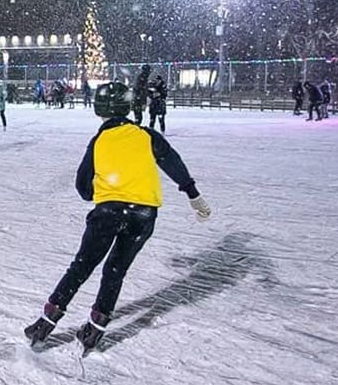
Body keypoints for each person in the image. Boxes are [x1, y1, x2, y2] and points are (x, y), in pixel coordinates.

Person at [24, 82, 211, 353]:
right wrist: (193, 194)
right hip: (144, 214)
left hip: (108, 212)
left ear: (100, 111)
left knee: (82, 266)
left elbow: (82, 187)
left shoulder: (99, 141)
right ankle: (95, 329)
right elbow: (173, 162)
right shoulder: (147, 136)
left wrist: (99, 190)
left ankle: (46, 322)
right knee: (115, 270)